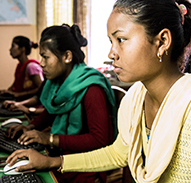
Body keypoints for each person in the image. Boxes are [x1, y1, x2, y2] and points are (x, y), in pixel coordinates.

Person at [6, 0, 191, 182]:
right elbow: (118, 153)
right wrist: (51, 162)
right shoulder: (135, 97)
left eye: (121, 40)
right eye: (111, 41)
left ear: (162, 41)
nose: (111, 53)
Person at [6, 24, 118, 183]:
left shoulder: (91, 88)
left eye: (45, 57)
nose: (41, 63)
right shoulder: (58, 83)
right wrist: (30, 127)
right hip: (59, 158)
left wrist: (49, 139)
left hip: (83, 169)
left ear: (67, 56)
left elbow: (100, 140)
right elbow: (52, 112)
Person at [0, 36, 44, 100]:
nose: (10, 49)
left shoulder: (32, 67)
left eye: (13, 46)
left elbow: (41, 88)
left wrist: (19, 95)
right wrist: (5, 92)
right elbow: (14, 86)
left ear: (22, 49)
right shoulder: (20, 66)